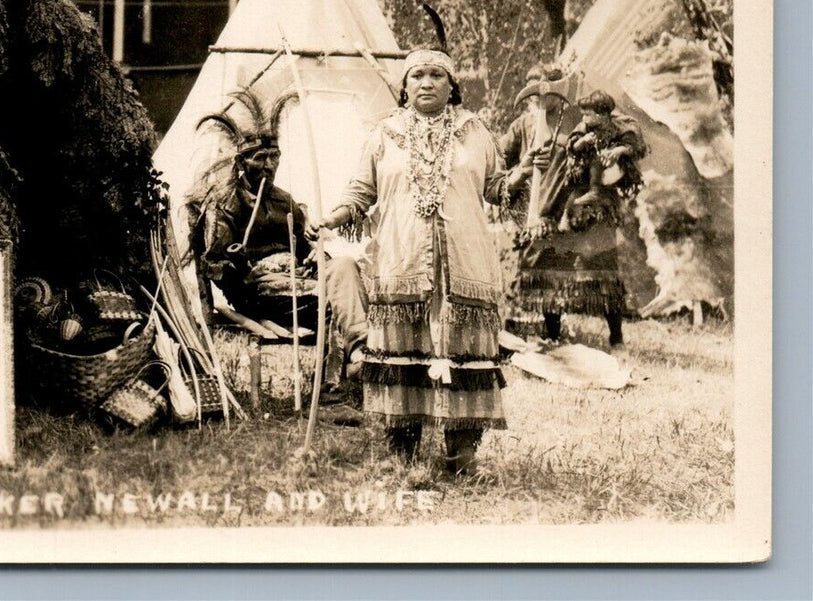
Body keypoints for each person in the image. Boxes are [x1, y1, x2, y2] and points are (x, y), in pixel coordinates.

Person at [310, 49, 510, 475]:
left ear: (452, 84)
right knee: (405, 354)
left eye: (436, 75)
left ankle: (462, 458)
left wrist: (524, 176)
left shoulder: (475, 132)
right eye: (417, 74)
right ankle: (404, 455)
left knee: (465, 356)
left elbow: (498, 188)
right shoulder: (386, 134)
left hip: (464, 266)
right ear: (404, 85)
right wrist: (333, 216)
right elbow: (360, 191)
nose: (426, 82)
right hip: (402, 262)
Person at [188, 87, 369, 402]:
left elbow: (306, 250)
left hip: (298, 281)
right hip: (257, 290)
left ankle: (360, 354)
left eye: (275, 157)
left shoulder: (284, 200)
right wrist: (237, 260)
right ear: (243, 162)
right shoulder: (226, 202)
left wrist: (315, 255)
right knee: (330, 298)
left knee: (345, 266)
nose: (270, 165)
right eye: (261, 158)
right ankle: (329, 393)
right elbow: (215, 269)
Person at [511, 86, 646, 346]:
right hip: (560, 201)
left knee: (603, 268)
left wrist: (615, 152)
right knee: (549, 265)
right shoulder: (553, 127)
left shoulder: (615, 125)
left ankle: (616, 337)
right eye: (583, 114)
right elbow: (572, 147)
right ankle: (552, 335)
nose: (585, 118)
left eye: (591, 114)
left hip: (594, 205)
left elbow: (632, 143)